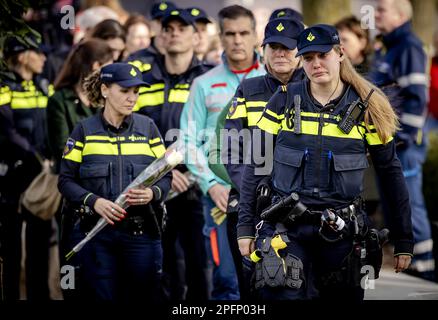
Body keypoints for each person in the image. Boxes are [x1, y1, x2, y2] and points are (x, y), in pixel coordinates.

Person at [237, 24, 413, 301]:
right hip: (286, 230)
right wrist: (245, 227)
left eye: (323, 55)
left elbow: (391, 173)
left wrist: (404, 239)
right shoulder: (283, 99)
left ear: (340, 53)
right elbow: (255, 165)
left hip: (343, 236)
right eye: (308, 58)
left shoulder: (367, 108)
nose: (316, 63)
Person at [58, 63, 171, 301]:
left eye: (136, 92)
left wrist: (152, 194)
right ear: (105, 89)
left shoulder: (148, 129)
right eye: (125, 91)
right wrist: (94, 201)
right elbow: (65, 181)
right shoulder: (84, 131)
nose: (132, 98)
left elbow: (166, 177)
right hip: (96, 237)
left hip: (141, 235)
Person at [180, 5, 265, 300]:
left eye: (244, 33)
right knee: (228, 281)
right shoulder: (204, 84)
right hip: (221, 200)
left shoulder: (274, 78)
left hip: (268, 198)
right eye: (230, 34)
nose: (237, 40)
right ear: (221, 36)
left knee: (269, 278)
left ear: (256, 36)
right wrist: (211, 184)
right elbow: (188, 141)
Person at [133, 8, 213, 301]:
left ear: (196, 36)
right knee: (161, 266)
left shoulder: (207, 78)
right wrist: (166, 172)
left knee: (200, 266)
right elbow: (136, 131)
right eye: (169, 28)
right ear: (160, 36)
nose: (175, 33)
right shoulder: (143, 79)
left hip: (196, 189)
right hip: (155, 189)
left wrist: (187, 170)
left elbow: (214, 132)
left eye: (182, 28)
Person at [223, 17, 304, 299]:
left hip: (301, 206)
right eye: (274, 47)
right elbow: (230, 149)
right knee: (253, 287)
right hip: (254, 205)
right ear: (264, 51)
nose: (280, 53)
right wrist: (253, 187)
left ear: (301, 52)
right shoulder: (248, 89)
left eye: (288, 48)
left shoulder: (314, 89)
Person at [369, 0, 435, 280]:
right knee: (397, 204)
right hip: (391, 141)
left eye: (381, 10)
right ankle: (412, 263)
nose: (376, 14)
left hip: (403, 145)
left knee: (408, 203)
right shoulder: (391, 46)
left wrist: (403, 137)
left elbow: (417, 97)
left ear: (399, 15)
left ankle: (425, 267)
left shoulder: (408, 46)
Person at [0, 35, 52, 300]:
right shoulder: (4, 87)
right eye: (38, 52)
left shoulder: (43, 86)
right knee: (10, 246)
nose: (44, 58)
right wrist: (35, 156)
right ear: (22, 55)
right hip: (13, 175)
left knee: (39, 241)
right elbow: (7, 131)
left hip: (40, 176)